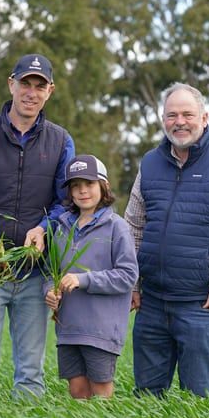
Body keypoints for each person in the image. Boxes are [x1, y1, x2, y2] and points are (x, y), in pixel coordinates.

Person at [124, 82, 209, 397]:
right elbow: (133, 225)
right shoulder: (149, 163)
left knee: (197, 399)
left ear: (204, 118)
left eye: (188, 114)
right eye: (172, 115)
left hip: (202, 304)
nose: (180, 121)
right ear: (163, 120)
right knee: (146, 397)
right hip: (153, 303)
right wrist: (133, 283)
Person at [0, 53, 75, 404]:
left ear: (49, 91)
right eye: (26, 83)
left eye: (40, 86)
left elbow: (64, 202)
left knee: (31, 368)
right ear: (12, 84)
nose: (31, 92)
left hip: (34, 271)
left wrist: (43, 228)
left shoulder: (61, 141)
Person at [44, 155, 138, 399]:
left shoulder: (117, 227)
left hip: (101, 330)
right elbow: (50, 269)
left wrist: (82, 279)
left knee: (100, 390)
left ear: (104, 187)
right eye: (75, 185)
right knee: (76, 390)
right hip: (68, 328)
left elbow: (127, 276)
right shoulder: (61, 226)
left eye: (89, 184)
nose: (82, 191)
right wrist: (49, 290)